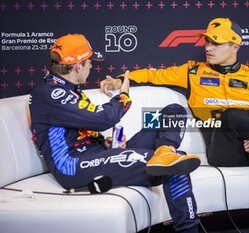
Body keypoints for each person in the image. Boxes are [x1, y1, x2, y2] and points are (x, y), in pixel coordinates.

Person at [100, 18, 249, 233]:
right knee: (230, 116)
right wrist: (121, 80)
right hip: (223, 148)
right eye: (207, 41)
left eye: (215, 43)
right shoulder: (192, 72)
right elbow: (152, 75)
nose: (208, 47)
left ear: (235, 46)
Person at [29, 34, 201, 233]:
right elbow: (104, 119)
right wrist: (124, 96)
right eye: (90, 62)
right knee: (175, 164)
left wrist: (105, 145)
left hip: (96, 154)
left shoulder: (68, 90)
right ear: (78, 65)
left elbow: (78, 129)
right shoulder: (51, 92)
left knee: (172, 111)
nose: (92, 66)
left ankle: (164, 149)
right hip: (74, 166)